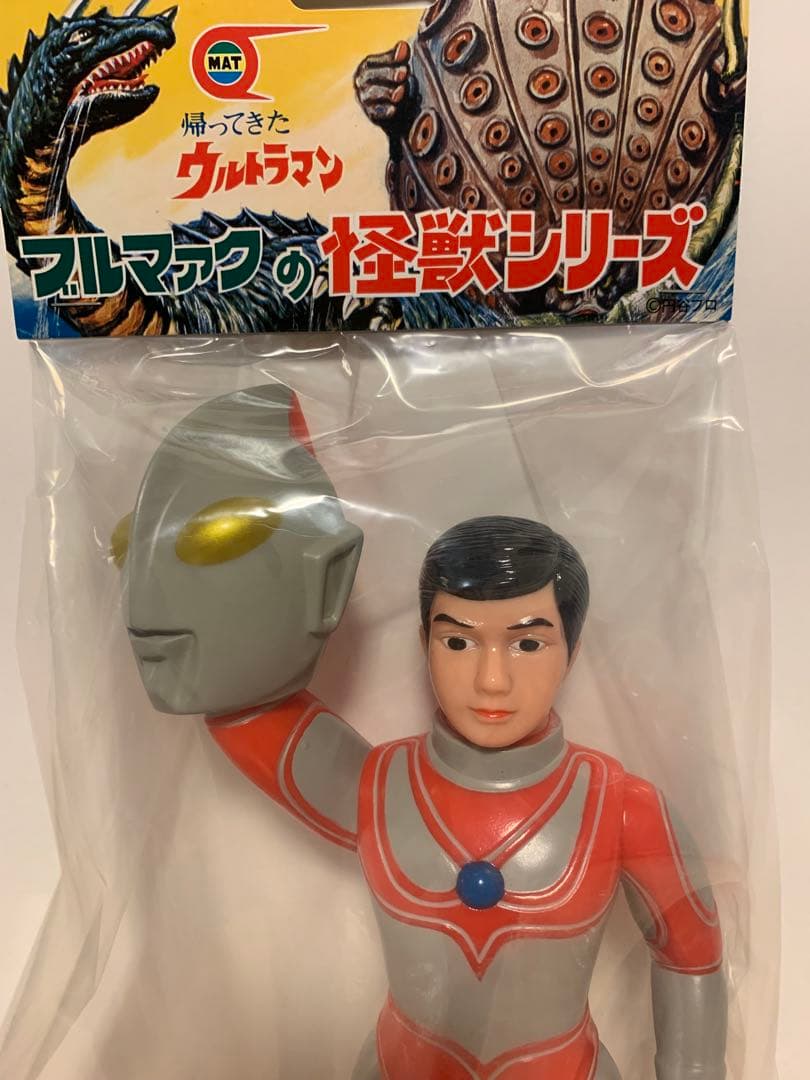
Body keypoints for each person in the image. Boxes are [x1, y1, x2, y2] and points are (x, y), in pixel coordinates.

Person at [118, 385, 727, 1079]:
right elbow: (242, 706)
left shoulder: (621, 807)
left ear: (573, 650)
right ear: (423, 642)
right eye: (458, 642)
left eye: (527, 644)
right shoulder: (379, 785)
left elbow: (692, 956)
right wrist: (212, 545)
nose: (491, 680)